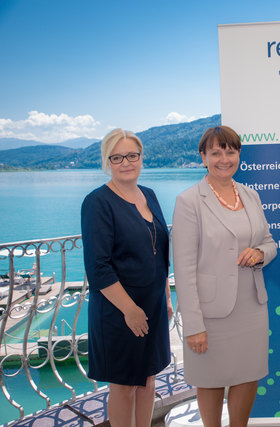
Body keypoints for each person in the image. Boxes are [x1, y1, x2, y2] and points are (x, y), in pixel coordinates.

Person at [172, 126, 277, 427]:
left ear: (239, 155)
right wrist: (193, 325)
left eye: (230, 151)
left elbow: (269, 242)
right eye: (215, 152)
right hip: (210, 314)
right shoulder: (189, 201)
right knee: (211, 378)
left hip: (252, 307)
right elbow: (184, 267)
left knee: (248, 375)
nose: (224, 158)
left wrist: (260, 253)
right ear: (203, 157)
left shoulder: (250, 194)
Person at [81, 129, 172, 427]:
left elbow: (159, 254)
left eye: (132, 155)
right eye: (117, 157)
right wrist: (130, 310)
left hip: (153, 306)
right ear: (107, 162)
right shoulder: (98, 202)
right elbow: (99, 267)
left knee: (148, 380)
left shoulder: (149, 195)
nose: (126, 162)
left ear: (141, 157)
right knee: (123, 385)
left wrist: (167, 298)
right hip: (119, 310)